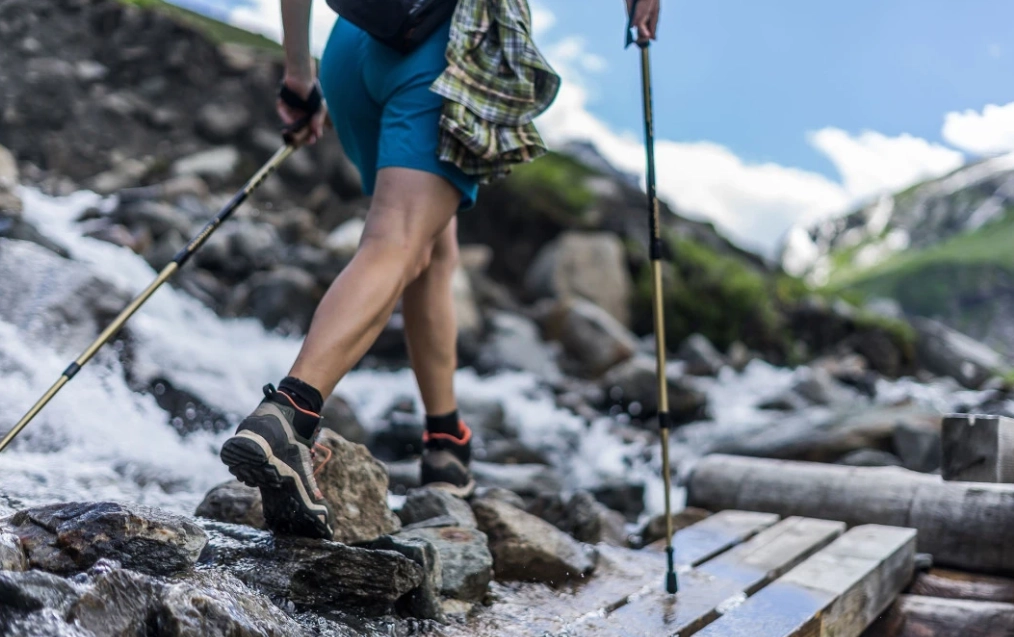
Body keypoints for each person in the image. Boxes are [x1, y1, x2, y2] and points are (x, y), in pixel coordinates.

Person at [218, 0, 661, 539]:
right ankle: (288, 415)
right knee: (397, 240)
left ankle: (445, 441)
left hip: (350, 46)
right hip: (439, 47)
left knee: (431, 243)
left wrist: (298, 77)